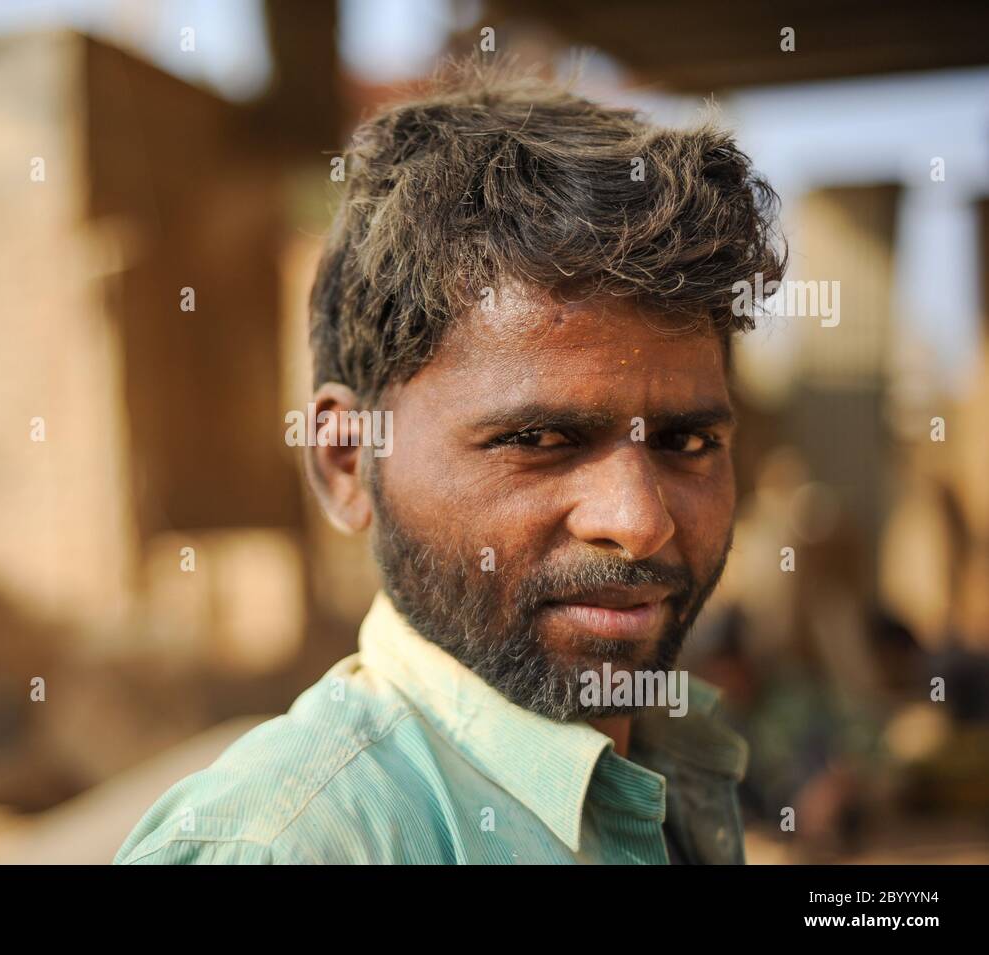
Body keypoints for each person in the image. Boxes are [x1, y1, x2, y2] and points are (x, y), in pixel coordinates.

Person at [115, 62, 785, 864]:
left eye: (687, 443)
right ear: (346, 460)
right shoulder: (289, 843)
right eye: (539, 441)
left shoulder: (673, 765)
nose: (639, 521)